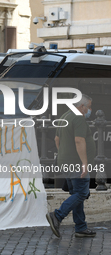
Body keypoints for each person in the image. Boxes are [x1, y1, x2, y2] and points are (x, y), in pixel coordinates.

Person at [47, 94, 96, 238]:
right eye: (89, 107)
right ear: (82, 106)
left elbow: (57, 139)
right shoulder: (78, 118)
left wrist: (64, 153)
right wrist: (85, 163)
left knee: (76, 194)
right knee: (81, 193)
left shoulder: (65, 116)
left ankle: (81, 227)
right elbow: (79, 141)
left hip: (65, 162)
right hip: (76, 163)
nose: (89, 110)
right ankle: (57, 215)